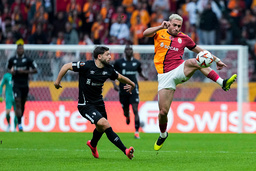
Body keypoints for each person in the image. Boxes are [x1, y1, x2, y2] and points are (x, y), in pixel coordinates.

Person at [143, 14, 237, 151]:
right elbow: (145, 34)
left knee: (196, 61)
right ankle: (163, 134)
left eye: (179, 26)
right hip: (164, 76)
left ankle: (222, 83)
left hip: (180, 69)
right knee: (163, 112)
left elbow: (201, 51)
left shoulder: (184, 38)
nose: (176, 28)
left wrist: (217, 60)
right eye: (174, 25)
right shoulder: (160, 32)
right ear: (169, 23)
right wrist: (159, 27)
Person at [54, 46, 135, 159]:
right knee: (105, 124)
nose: (110, 56)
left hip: (99, 103)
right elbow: (66, 66)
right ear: (99, 56)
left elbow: (120, 77)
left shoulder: (108, 69)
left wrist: (133, 84)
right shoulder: (86, 66)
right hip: (85, 105)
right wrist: (57, 81)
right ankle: (125, 150)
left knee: (101, 127)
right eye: (107, 54)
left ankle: (92, 144)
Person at [112, 45, 148, 139]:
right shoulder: (119, 62)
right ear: (124, 51)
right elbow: (112, 73)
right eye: (127, 49)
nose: (128, 51)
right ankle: (127, 116)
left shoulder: (137, 63)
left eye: (130, 49)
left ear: (132, 51)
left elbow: (140, 72)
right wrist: (114, 84)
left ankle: (136, 132)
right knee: (125, 111)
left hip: (134, 89)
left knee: (136, 110)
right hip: (123, 90)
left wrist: (144, 77)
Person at [7, 43, 38, 132]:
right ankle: (20, 124)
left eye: (21, 49)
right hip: (16, 84)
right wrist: (11, 71)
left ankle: (20, 120)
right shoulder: (12, 60)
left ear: (23, 50)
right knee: (17, 102)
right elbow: (8, 69)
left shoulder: (28, 60)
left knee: (22, 104)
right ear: (17, 50)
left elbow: (35, 70)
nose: (20, 50)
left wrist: (24, 72)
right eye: (19, 49)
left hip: (25, 85)